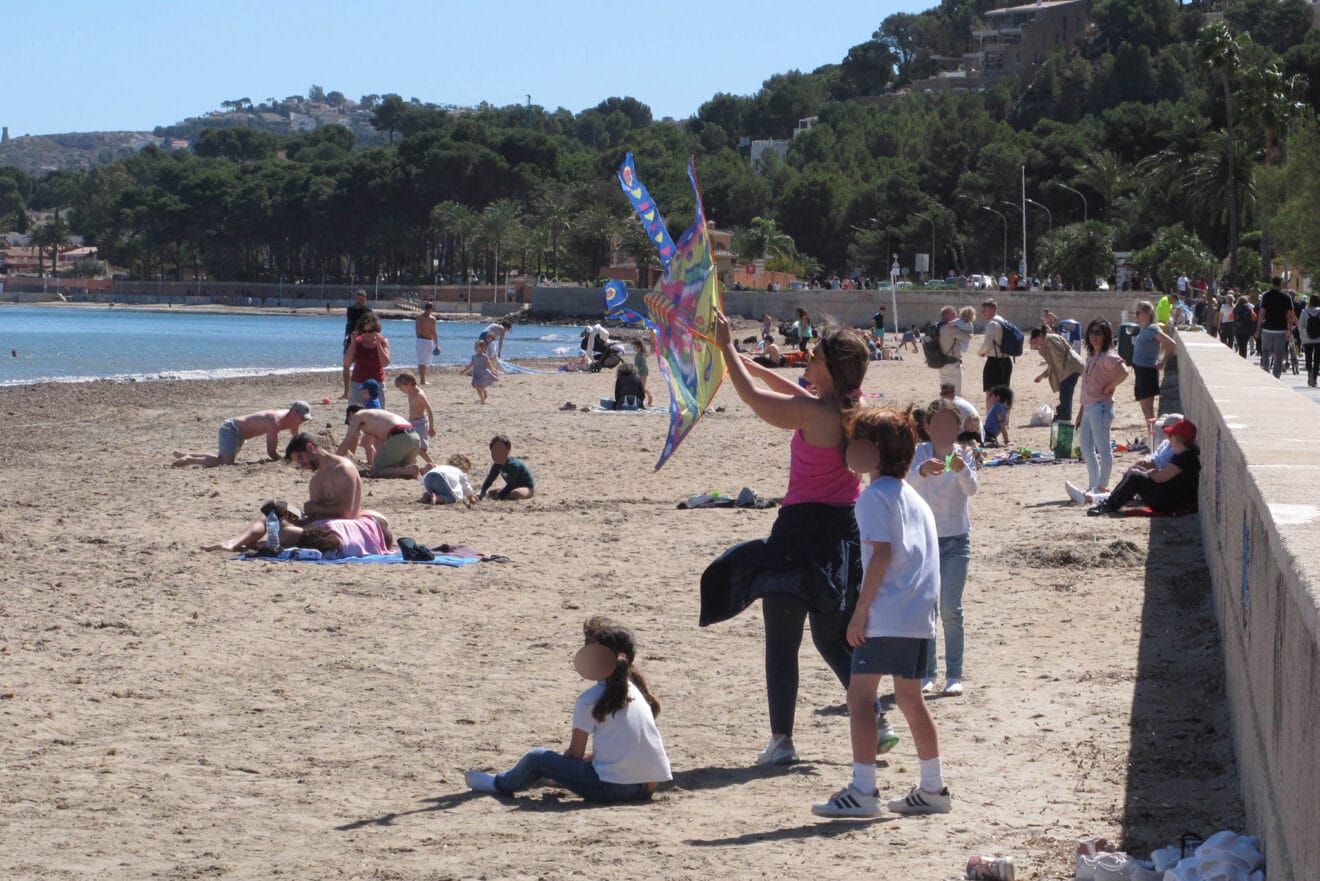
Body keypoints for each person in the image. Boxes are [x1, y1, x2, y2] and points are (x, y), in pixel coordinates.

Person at [702, 313, 899, 765]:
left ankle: (782, 741)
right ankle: (877, 718)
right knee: (832, 638)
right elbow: (790, 390)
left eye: (815, 355)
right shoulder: (854, 406)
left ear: (831, 367)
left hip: (799, 533)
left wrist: (728, 348)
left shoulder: (815, 413)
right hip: (844, 535)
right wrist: (745, 359)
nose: (806, 358)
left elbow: (755, 398)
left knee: (782, 641)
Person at [810, 406, 950, 819]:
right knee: (910, 699)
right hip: (918, 617)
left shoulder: (874, 497)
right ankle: (932, 787)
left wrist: (859, 613)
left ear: (871, 451)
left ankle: (864, 789)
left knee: (860, 700)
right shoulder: (914, 499)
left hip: (886, 615)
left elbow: (881, 556)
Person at [464, 616, 671, 803]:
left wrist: (560, 769)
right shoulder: (637, 690)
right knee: (582, 763)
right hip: (648, 787)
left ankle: (498, 784)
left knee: (537, 758)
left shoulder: (589, 699)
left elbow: (574, 754)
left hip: (612, 791)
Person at [909, 399, 978, 696]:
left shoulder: (963, 455)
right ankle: (928, 674)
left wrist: (962, 469)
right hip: (924, 541)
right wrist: (922, 471)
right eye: (937, 425)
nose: (943, 431)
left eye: (950, 425)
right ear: (927, 427)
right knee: (927, 608)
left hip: (956, 540)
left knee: (951, 608)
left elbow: (972, 489)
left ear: (958, 427)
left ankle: (954, 675)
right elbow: (906, 486)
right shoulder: (919, 454)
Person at [1087, 419, 1201, 516]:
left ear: (1179, 439)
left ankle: (1109, 506)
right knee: (1136, 473)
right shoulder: (1185, 455)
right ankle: (1110, 501)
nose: (1169, 438)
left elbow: (1160, 478)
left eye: (1171, 435)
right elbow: (1166, 475)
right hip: (1173, 498)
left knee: (1136, 476)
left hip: (1171, 503)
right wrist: (1149, 472)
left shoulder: (1185, 457)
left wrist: (1148, 473)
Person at [1076, 320, 1129, 496]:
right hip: (1089, 407)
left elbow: (1124, 371)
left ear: (1106, 335)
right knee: (1086, 447)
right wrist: (1080, 412)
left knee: (1103, 448)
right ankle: (1093, 485)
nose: (1094, 336)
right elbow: (1086, 387)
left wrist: (1111, 386)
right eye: (1092, 332)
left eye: (1098, 332)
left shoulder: (1108, 355)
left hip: (1101, 407)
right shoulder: (1092, 356)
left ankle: (1101, 486)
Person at [203, 509, 394, 557]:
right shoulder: (370, 541)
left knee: (271, 513)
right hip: (369, 529)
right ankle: (266, 542)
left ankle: (231, 543)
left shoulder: (355, 525)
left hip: (345, 535)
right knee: (287, 534)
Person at [172, 403, 311, 468]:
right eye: (302, 418)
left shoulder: (293, 421)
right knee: (225, 462)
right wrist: (287, 461)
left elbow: (296, 441)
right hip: (231, 429)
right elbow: (271, 453)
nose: (303, 421)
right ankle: (189, 460)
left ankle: (185, 453)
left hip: (242, 435)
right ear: (293, 413)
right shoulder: (273, 421)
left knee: (223, 458)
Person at [284, 433, 362, 521]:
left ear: (310, 447)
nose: (302, 465)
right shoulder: (315, 481)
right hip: (324, 526)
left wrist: (315, 508)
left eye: (300, 458)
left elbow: (346, 512)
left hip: (346, 525)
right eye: (298, 462)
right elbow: (314, 516)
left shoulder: (342, 469)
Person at [338, 404, 423, 479]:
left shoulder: (357, 416)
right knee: (394, 470)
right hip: (415, 438)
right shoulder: (376, 419)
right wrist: (375, 464)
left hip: (400, 436)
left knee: (376, 472)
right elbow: (380, 449)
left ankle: (409, 469)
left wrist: (334, 461)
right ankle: (424, 470)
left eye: (349, 422)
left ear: (350, 415)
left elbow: (347, 440)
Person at [1131, 301, 1178, 424]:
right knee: (1145, 411)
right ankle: (1150, 437)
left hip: (1147, 372)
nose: (1136, 315)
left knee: (1149, 412)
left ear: (1148, 313)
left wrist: (1163, 362)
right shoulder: (1145, 328)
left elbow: (1171, 344)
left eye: (1138, 312)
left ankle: (1152, 439)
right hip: (1140, 371)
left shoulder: (1152, 329)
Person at [1029, 325, 1084, 423]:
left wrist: (1060, 372)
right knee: (1064, 394)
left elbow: (1060, 357)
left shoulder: (1050, 340)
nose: (1037, 344)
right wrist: (1042, 376)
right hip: (1068, 368)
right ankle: (1062, 415)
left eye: (1036, 340)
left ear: (1041, 335)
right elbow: (1052, 363)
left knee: (1066, 394)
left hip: (1071, 367)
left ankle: (1065, 419)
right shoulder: (1047, 341)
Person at [344, 311, 391, 407]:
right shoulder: (357, 342)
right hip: (358, 382)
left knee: (378, 415)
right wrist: (352, 342)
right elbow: (347, 362)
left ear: (376, 331)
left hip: (376, 383)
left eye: (370, 331)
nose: (367, 334)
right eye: (364, 331)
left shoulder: (382, 342)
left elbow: (385, 363)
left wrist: (378, 344)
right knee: (356, 414)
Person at [977, 298, 1013, 414]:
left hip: (994, 362)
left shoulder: (993, 324)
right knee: (1004, 392)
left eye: (984, 311)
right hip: (1007, 361)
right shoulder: (1003, 321)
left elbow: (987, 344)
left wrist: (980, 353)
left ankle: (990, 419)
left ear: (992, 310)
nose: (982, 313)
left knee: (990, 392)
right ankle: (1005, 419)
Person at [1256, 277, 1296, 378]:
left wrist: (1258, 327)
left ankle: (1265, 367)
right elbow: (1290, 314)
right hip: (1281, 330)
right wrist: (1290, 330)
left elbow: (1262, 312)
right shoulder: (1286, 297)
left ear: (1272, 283)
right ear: (1281, 283)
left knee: (1265, 350)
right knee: (1278, 353)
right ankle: (1276, 374)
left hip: (1267, 328)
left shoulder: (1266, 295)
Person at [394, 372, 436, 467]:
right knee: (410, 444)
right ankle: (412, 463)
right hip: (413, 423)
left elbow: (429, 410)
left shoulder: (419, 395)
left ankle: (433, 465)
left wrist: (431, 428)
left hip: (421, 424)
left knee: (421, 449)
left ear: (408, 384)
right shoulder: (410, 393)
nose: (401, 390)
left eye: (401, 387)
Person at [480, 434, 535, 500]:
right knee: (491, 493)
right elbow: (490, 478)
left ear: (507, 451)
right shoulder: (497, 464)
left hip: (526, 487)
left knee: (515, 493)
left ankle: (507, 495)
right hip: (513, 486)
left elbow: (511, 484)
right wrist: (483, 490)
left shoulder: (513, 465)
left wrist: (500, 495)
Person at [936, 306, 972, 394]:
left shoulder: (936, 327)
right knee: (955, 395)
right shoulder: (950, 329)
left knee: (945, 394)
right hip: (953, 365)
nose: (956, 318)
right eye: (955, 315)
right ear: (949, 315)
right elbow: (968, 336)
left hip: (940, 364)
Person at [341, 289, 370, 399]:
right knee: (346, 365)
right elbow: (349, 325)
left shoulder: (368, 311)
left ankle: (363, 391)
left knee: (362, 366)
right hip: (350, 340)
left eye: (362, 299)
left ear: (365, 300)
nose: (359, 301)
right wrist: (346, 337)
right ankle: (346, 392)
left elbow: (370, 327)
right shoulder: (350, 309)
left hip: (363, 341)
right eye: (358, 299)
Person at [460, 339, 500, 404]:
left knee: (478, 387)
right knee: (476, 386)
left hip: (483, 373)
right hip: (476, 374)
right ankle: (484, 391)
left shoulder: (484, 356)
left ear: (481, 347)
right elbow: (471, 365)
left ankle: (482, 400)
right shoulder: (474, 357)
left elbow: (489, 364)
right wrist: (464, 370)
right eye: (475, 346)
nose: (475, 348)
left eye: (476, 346)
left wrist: (493, 371)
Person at [415, 303, 439, 386]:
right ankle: (423, 380)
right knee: (423, 361)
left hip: (419, 340)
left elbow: (417, 330)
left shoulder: (418, 318)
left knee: (421, 360)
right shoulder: (432, 319)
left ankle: (422, 379)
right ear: (431, 309)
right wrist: (437, 345)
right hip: (426, 340)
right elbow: (434, 332)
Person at [1299, 293, 1320, 387]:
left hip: (1307, 338)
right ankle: (1315, 378)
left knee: (1308, 357)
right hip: (1319, 339)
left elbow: (1300, 325)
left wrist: (1302, 336)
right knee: (1317, 359)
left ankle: (1309, 373)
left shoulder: (1305, 311)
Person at [632, 338, 654, 407]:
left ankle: (650, 396)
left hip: (643, 373)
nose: (633, 348)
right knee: (639, 387)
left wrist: (637, 370)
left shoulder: (640, 355)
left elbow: (642, 365)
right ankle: (640, 399)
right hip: (639, 373)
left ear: (639, 347)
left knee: (642, 388)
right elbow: (636, 365)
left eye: (634, 347)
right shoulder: (639, 354)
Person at [1232, 294, 1256, 359]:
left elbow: (1231, 317)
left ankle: (1240, 356)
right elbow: (1254, 317)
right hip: (1246, 329)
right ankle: (1243, 357)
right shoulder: (1249, 308)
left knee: (1240, 345)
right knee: (1244, 345)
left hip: (1238, 329)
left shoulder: (1235, 308)